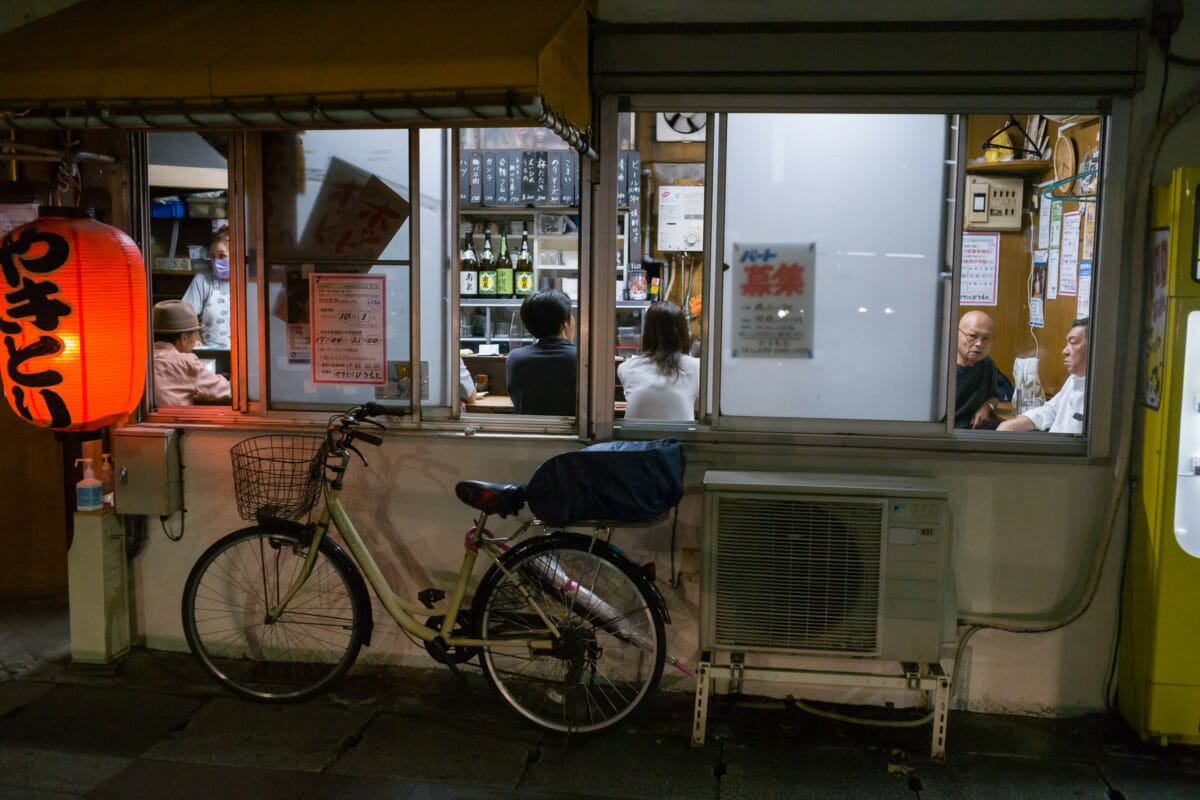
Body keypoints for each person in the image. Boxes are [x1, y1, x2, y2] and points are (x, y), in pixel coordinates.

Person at [998, 318, 1088, 434]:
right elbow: (1050, 410)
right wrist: (1011, 425)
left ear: (1094, 347)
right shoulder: (1074, 379)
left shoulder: (1103, 393)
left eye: (1073, 343)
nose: (1065, 351)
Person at [618, 300, 700, 420]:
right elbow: (698, 407)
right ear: (682, 334)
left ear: (646, 332)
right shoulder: (697, 368)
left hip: (635, 438)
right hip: (679, 438)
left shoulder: (626, 368)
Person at [505, 289, 576, 415]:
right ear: (564, 324)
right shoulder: (583, 359)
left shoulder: (515, 359)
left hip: (530, 432)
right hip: (575, 432)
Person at [152, 300, 232, 406]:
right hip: (175, 422)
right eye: (195, 334)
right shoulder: (187, 363)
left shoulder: (139, 359)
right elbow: (222, 390)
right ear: (184, 338)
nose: (195, 341)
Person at [955, 310, 1013, 429]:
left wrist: (987, 407)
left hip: (974, 433)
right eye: (972, 336)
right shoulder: (940, 367)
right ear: (956, 334)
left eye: (986, 338)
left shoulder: (987, 364)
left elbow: (994, 397)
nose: (979, 343)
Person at [181, 227, 231, 349]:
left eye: (222, 256)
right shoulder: (203, 281)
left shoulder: (251, 284)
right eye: (213, 257)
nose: (216, 262)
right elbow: (184, 317)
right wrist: (195, 340)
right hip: (211, 353)